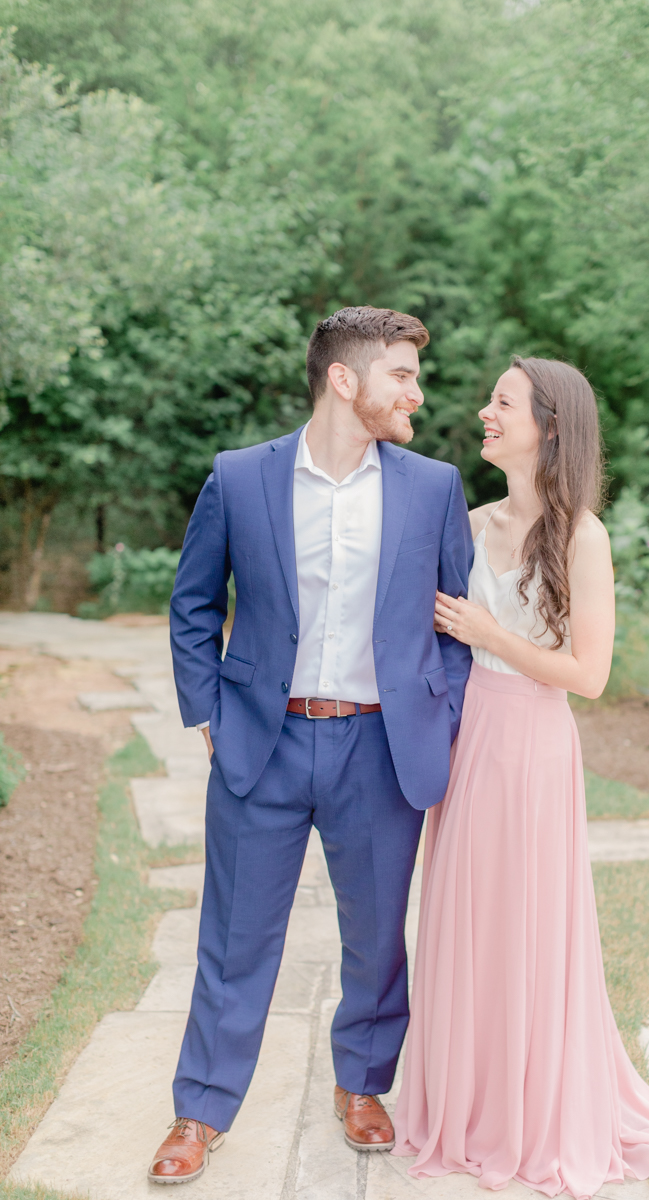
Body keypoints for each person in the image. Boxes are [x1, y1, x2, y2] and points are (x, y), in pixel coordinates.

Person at [147, 306, 473, 1184]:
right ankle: (201, 1109)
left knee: (376, 939)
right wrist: (209, 709)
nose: (416, 389)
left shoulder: (433, 486)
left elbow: (455, 625)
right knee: (234, 938)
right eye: (401, 374)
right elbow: (193, 605)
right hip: (265, 743)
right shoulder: (239, 478)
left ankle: (363, 1086)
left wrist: (438, 718)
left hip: (381, 749)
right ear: (344, 379)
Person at [392, 356, 649, 1197]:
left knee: (527, 921)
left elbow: (590, 675)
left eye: (503, 401)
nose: (485, 412)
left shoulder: (582, 537)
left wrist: (490, 635)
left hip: (533, 748)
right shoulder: (469, 519)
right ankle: (464, 1100)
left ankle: (528, 1109)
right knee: (464, 917)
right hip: (467, 744)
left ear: (550, 424)